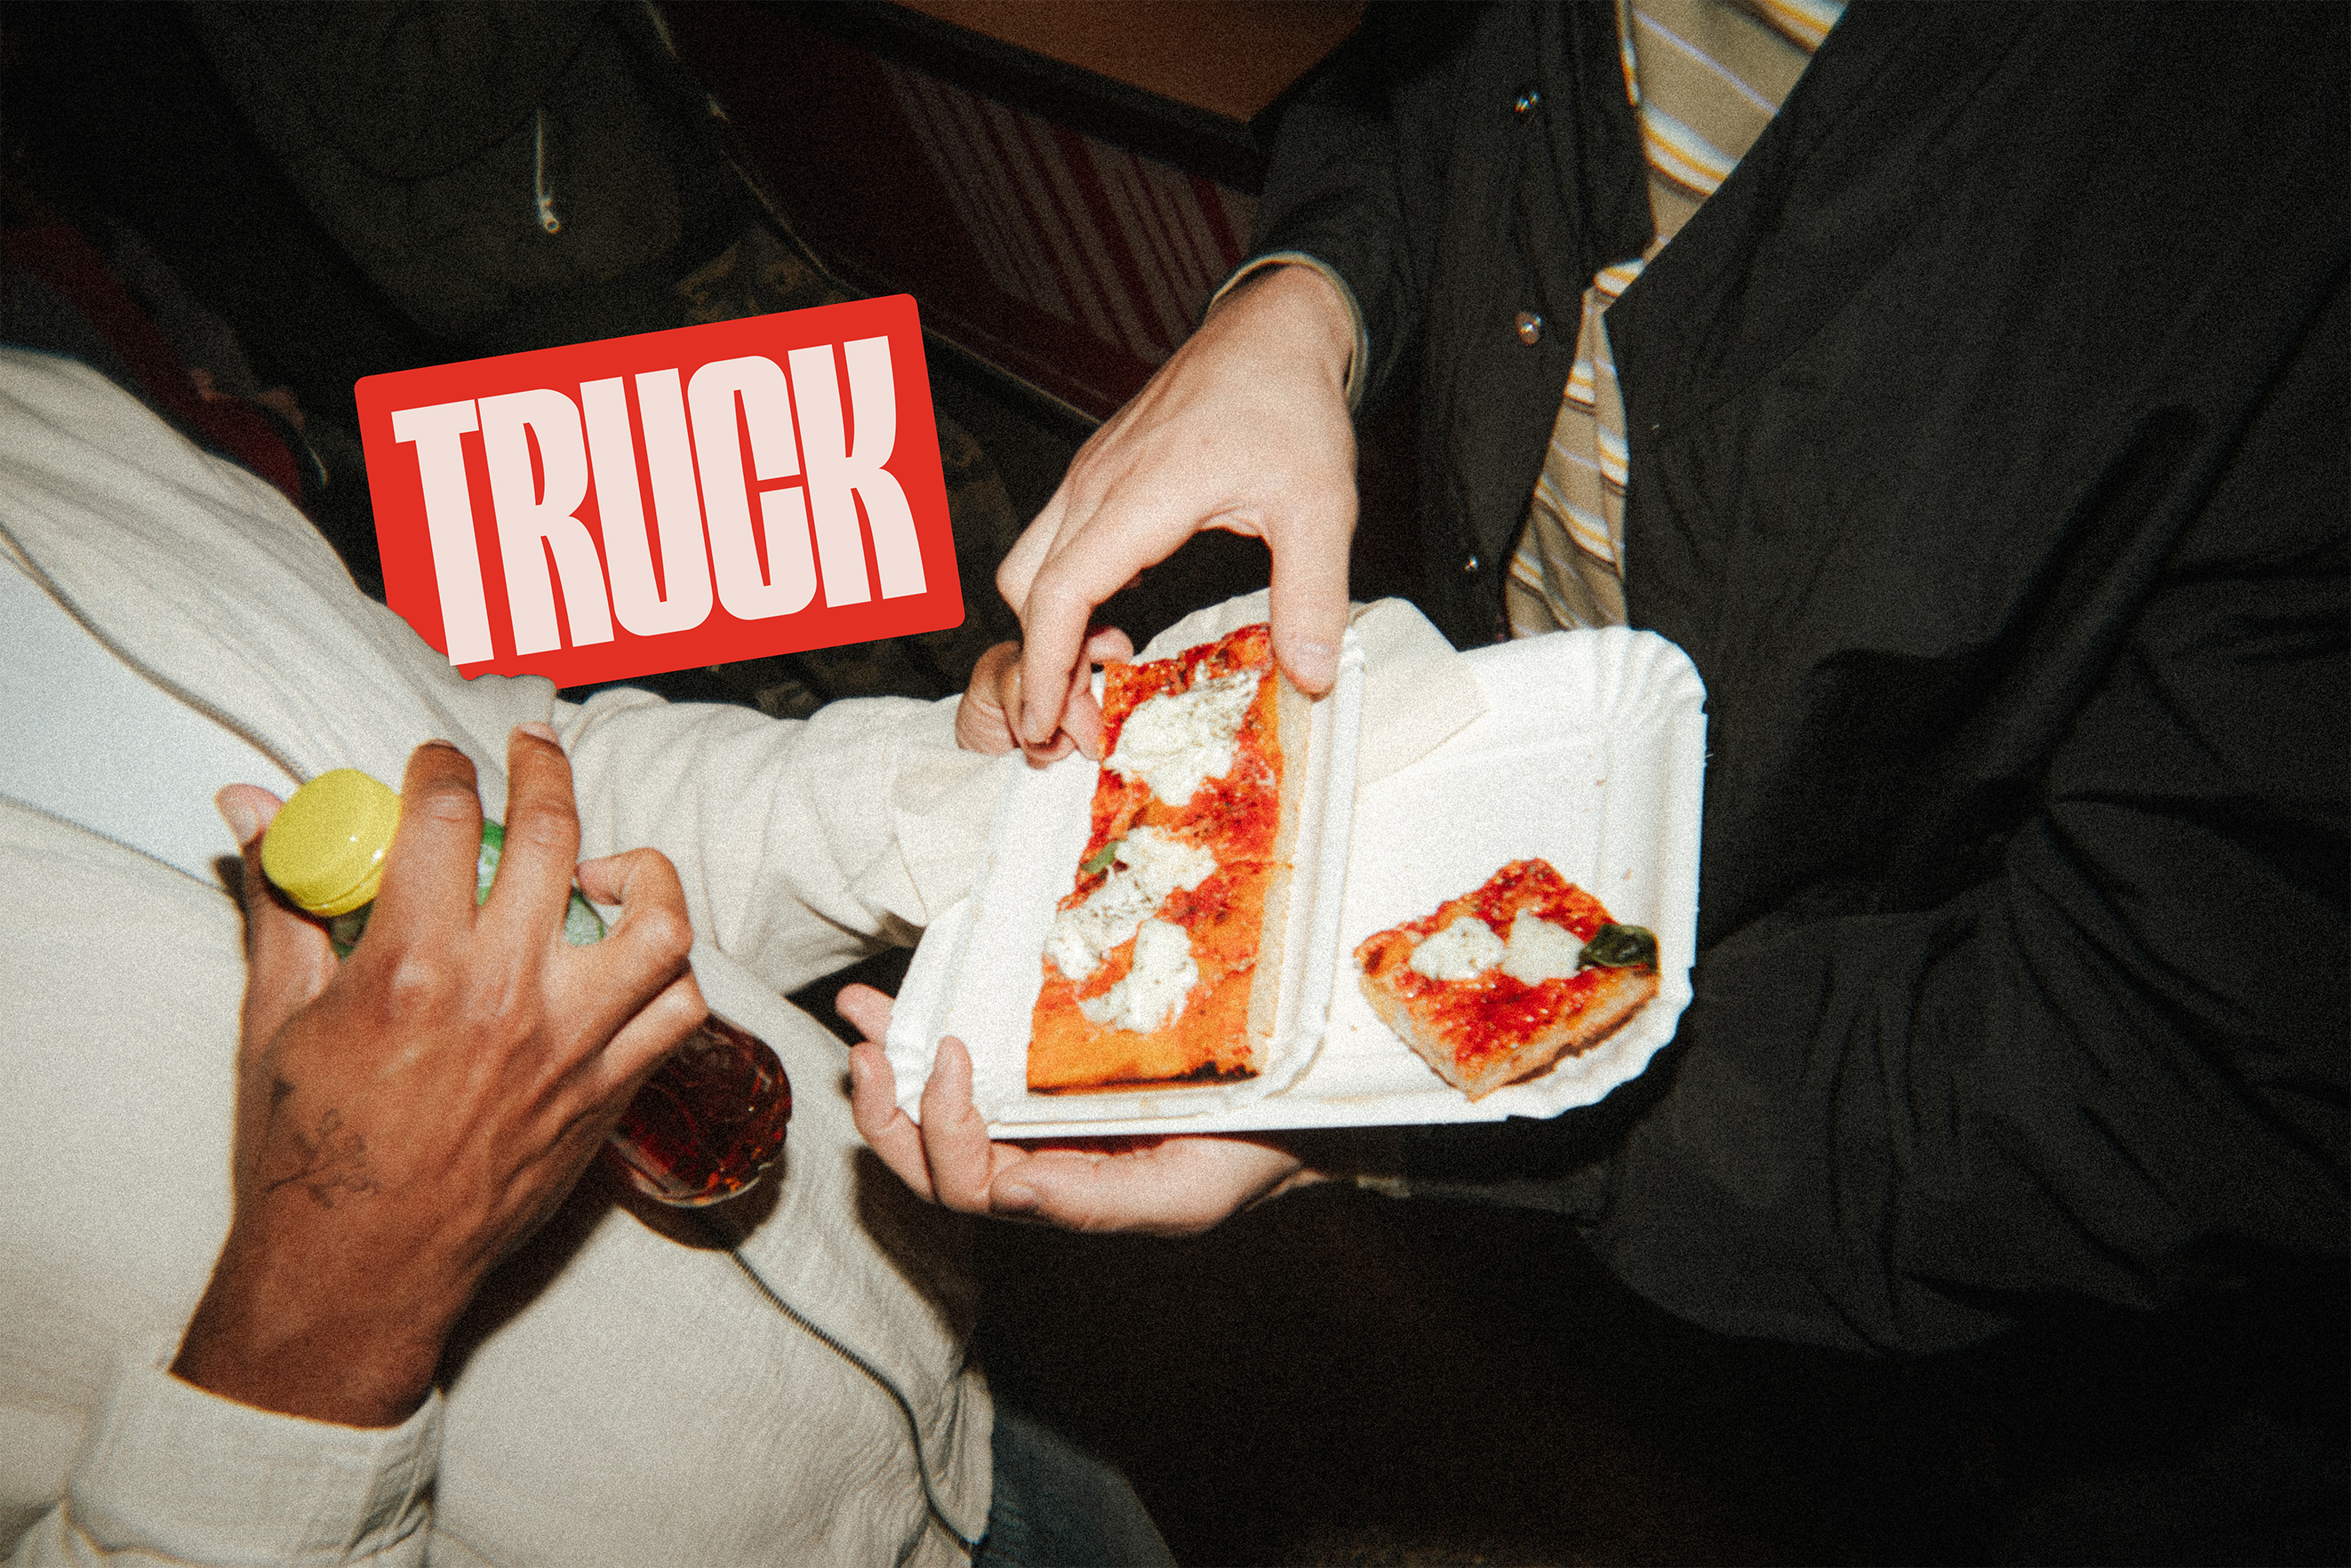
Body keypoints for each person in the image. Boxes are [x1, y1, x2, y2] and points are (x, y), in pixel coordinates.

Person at [850, 0, 2347, 1363]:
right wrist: (1302, 295)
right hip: (1515, 758)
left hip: (1886, 1078)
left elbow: (2171, 1076)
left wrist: (1417, 1117)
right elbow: (1426, 88)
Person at [0, 344, 1172, 1565]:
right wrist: (322, 1328)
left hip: (950, 1375)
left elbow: (538, 781)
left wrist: (944, 795)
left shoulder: (38, 407)